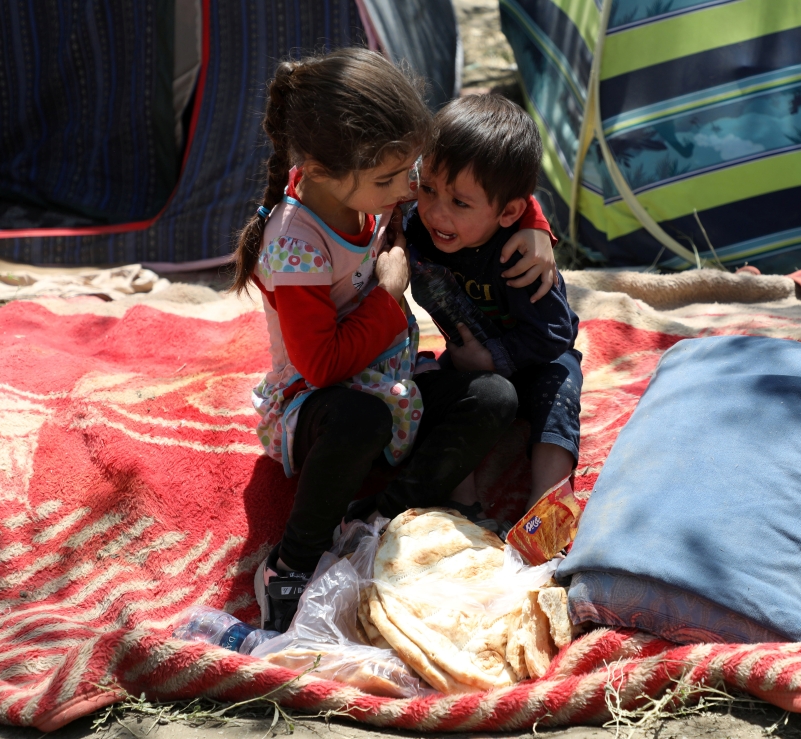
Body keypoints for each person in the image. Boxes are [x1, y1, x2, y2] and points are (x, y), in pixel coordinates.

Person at [231, 49, 559, 632]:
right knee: (361, 420)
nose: (410, 192)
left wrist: (533, 223)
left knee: (493, 397)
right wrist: (387, 296)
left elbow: (475, 172)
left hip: (394, 387)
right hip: (319, 408)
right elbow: (322, 364)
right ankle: (291, 562)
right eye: (394, 180)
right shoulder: (295, 242)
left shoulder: (369, 189)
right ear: (327, 171)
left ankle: (377, 516)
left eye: (407, 174)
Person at [406, 94, 582, 518]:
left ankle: (548, 507)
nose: (435, 212)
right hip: (467, 368)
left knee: (558, 388)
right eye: (427, 189)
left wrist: (493, 358)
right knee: (424, 388)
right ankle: (462, 509)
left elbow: (557, 332)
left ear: (508, 213)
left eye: (459, 203)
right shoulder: (415, 227)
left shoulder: (520, 256)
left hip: (536, 363)